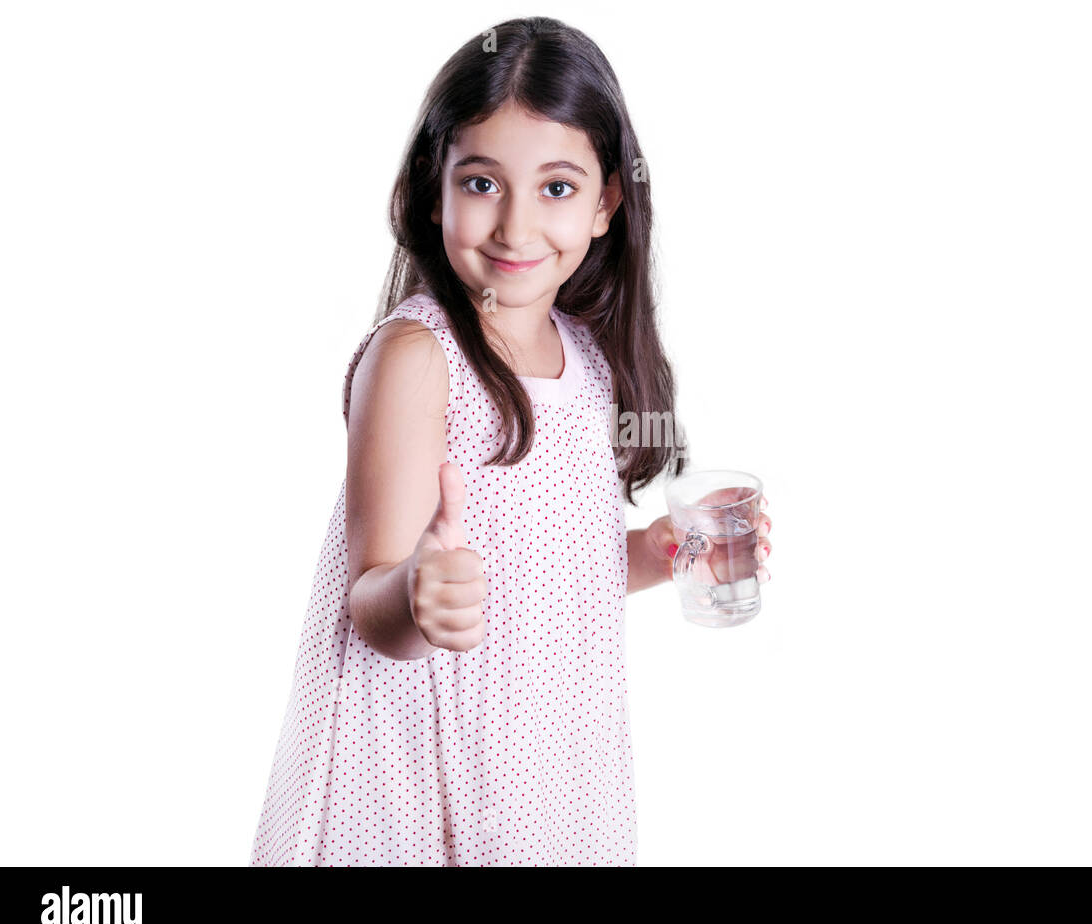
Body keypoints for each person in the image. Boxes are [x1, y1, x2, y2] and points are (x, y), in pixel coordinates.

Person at [249, 16, 773, 866]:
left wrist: (662, 550)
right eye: (483, 183)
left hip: (545, 764)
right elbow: (372, 595)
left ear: (607, 202)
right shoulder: (418, 356)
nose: (516, 226)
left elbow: (565, 566)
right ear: (434, 190)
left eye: (558, 188)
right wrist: (418, 589)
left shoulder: (590, 360)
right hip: (421, 766)